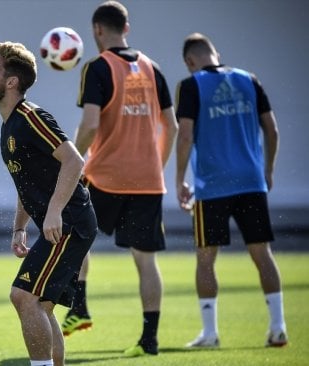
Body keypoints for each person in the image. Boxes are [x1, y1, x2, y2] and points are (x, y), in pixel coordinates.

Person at [71, 1, 178, 357]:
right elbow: (172, 126)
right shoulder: (153, 68)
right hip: (148, 180)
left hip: (104, 176)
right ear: (126, 28)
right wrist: (156, 165)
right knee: (145, 260)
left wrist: (72, 159)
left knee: (72, 235)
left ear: (97, 30)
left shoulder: (98, 68)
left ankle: (80, 308)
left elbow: (89, 126)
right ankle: (150, 340)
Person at [0, 41, 97, 366]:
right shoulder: (9, 127)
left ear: (12, 81)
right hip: (65, 223)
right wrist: (19, 227)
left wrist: (55, 212)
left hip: (70, 221)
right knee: (41, 306)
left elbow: (74, 162)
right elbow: (27, 184)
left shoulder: (31, 117)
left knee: (23, 297)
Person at [176, 32, 288, 348]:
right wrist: (267, 169)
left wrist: (179, 179)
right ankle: (278, 327)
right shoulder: (248, 79)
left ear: (190, 62)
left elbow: (184, 137)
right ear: (215, 52)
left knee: (206, 258)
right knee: (262, 253)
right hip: (251, 181)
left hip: (212, 185)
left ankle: (210, 334)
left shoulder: (191, 84)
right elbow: (273, 129)